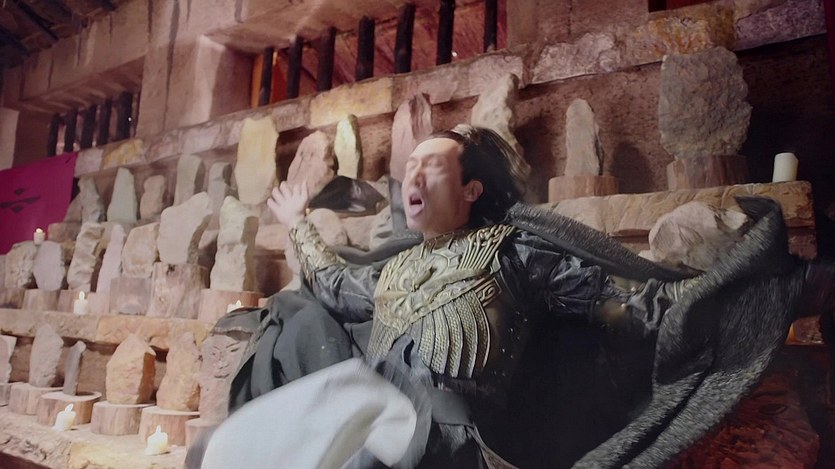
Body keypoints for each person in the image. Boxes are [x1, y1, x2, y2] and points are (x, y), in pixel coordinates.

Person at [195, 126, 831, 469]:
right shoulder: (394, 270)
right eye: (408, 166)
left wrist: (763, 287)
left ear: (471, 190)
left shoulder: (513, 253)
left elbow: (635, 307)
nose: (411, 173)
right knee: (236, 448)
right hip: (376, 428)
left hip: (454, 449)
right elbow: (333, 287)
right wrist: (298, 224)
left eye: (431, 165)